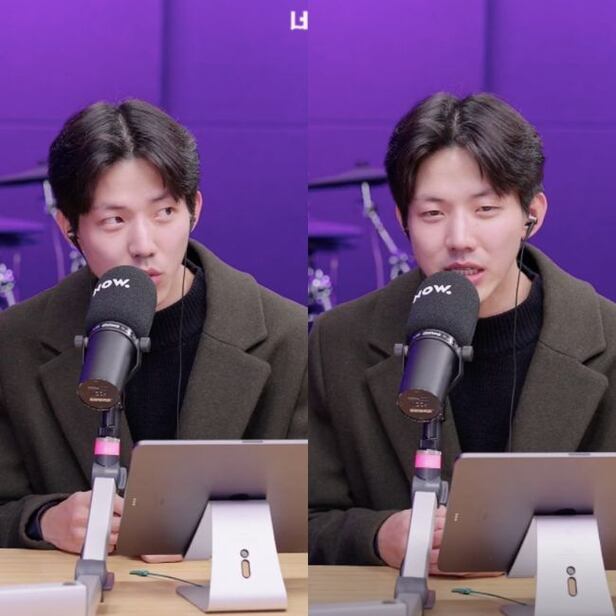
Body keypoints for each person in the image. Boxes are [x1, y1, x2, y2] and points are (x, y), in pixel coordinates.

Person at [309, 92, 616, 569]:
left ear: (532, 214)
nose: (459, 239)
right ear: (402, 220)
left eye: (486, 209)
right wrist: (377, 536)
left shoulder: (607, 339)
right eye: (432, 214)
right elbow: (301, 519)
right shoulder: (339, 340)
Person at [0, 99, 306, 553]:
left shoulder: (287, 335)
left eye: (164, 213)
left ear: (193, 208)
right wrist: (41, 520)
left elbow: (315, 516)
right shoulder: (15, 342)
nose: (144, 245)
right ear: (69, 227)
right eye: (114, 220)